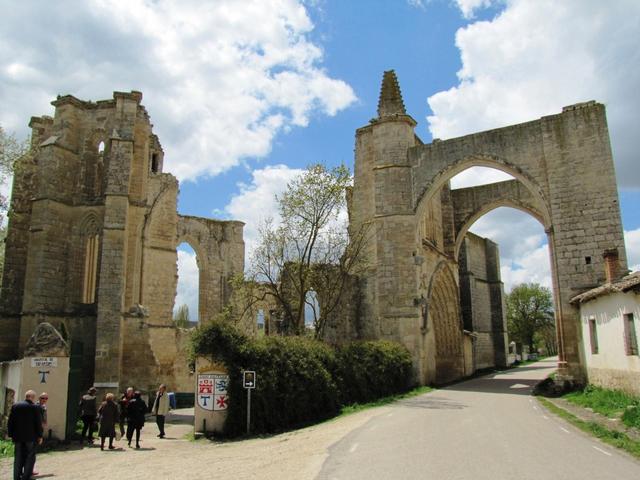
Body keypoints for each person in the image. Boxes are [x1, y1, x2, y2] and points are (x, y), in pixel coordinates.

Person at [7, 390, 43, 480]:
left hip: (18, 437)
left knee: (18, 457)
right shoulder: (35, 407)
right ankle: (25, 477)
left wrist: (10, 434)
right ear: (32, 397)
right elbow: (38, 423)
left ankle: (16, 477)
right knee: (30, 457)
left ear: (26, 396)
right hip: (30, 437)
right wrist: (40, 435)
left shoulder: (15, 406)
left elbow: (10, 421)